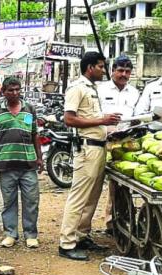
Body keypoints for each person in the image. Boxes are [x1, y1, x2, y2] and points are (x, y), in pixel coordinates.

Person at [58, 52, 121, 261]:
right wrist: (102, 120)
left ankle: (81, 236)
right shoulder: (77, 88)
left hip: (99, 148)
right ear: (90, 67)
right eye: (101, 67)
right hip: (87, 149)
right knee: (79, 197)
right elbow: (69, 119)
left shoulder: (92, 88)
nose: (104, 71)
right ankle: (66, 243)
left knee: (92, 197)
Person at [0, 76, 43, 249]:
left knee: (31, 200)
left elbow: (35, 135)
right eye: (11, 90)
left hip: (28, 164)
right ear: (3, 92)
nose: (15, 93)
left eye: (18, 89)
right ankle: (10, 233)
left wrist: (40, 158)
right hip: (6, 164)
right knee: (9, 201)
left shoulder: (29, 110)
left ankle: (30, 234)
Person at [97, 55, 140, 231]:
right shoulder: (101, 90)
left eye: (127, 71)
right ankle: (107, 220)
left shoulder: (135, 93)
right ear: (113, 70)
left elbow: (138, 117)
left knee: (122, 182)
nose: (123, 74)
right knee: (100, 182)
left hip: (126, 142)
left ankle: (117, 220)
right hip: (103, 140)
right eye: (120, 70)